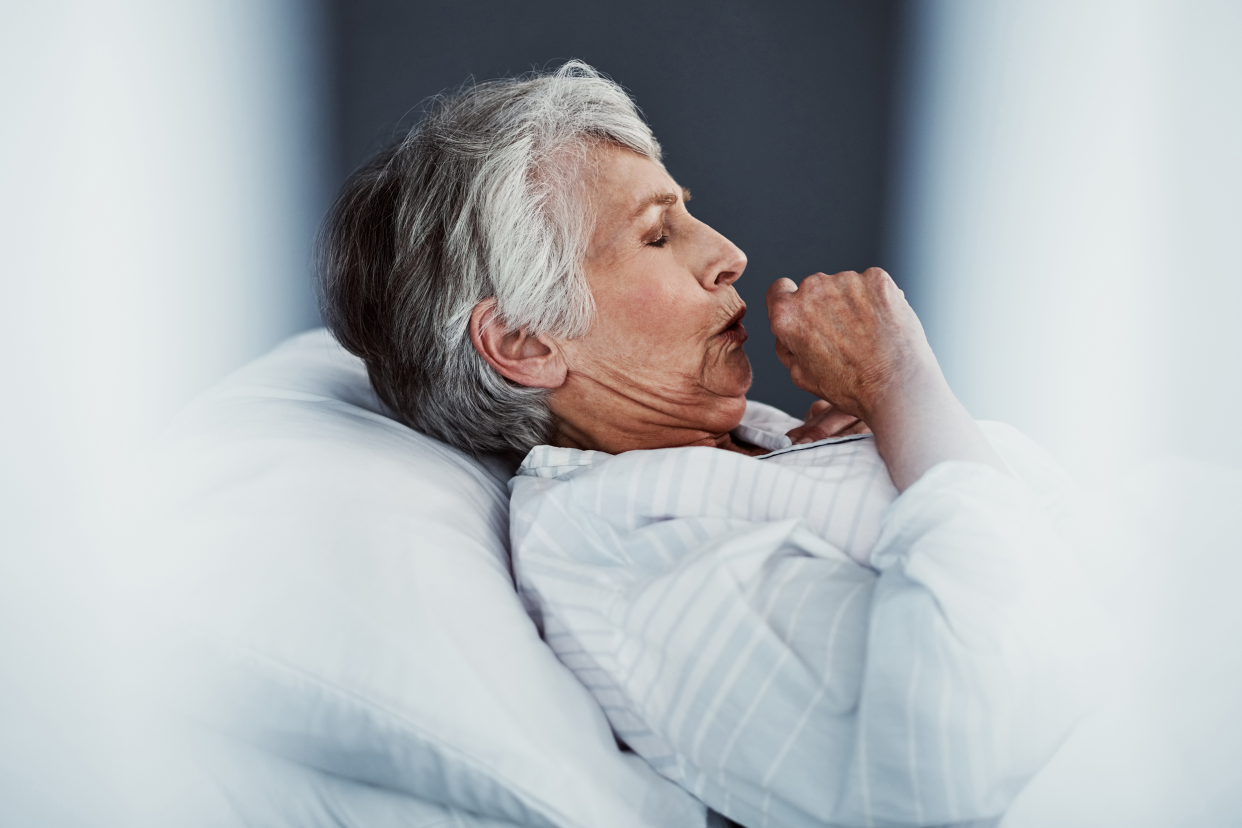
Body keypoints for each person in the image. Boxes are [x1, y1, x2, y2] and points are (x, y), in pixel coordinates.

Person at [319, 61, 1101, 828]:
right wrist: (905, 391)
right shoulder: (617, 556)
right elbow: (951, 765)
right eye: (659, 234)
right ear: (525, 343)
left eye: (687, 213)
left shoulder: (753, 440)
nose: (729, 253)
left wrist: (888, 447)